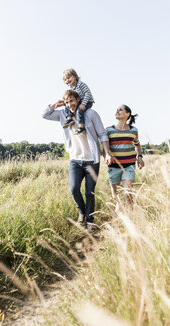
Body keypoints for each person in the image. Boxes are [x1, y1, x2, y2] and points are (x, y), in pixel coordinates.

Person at [42, 90, 112, 231]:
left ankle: (90, 221)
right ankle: (82, 212)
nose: (70, 104)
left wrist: (107, 153)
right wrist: (54, 104)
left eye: (72, 101)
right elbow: (45, 115)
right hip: (75, 159)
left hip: (92, 159)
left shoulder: (90, 114)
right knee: (73, 189)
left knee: (89, 192)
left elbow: (103, 134)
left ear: (78, 99)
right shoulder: (62, 114)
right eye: (67, 102)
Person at [106, 104, 145, 209]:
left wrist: (140, 157)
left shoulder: (133, 130)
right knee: (116, 196)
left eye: (120, 110)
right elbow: (105, 147)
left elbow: (137, 145)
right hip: (114, 166)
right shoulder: (108, 130)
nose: (117, 111)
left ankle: (131, 215)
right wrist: (106, 155)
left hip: (129, 166)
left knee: (128, 194)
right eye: (116, 110)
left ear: (127, 114)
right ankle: (119, 207)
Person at [62, 68, 95, 135]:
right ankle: (69, 118)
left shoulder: (80, 84)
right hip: (80, 101)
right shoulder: (71, 88)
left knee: (79, 110)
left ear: (75, 76)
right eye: (65, 80)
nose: (67, 80)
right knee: (66, 104)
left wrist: (83, 104)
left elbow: (87, 93)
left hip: (87, 101)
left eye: (68, 78)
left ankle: (81, 126)